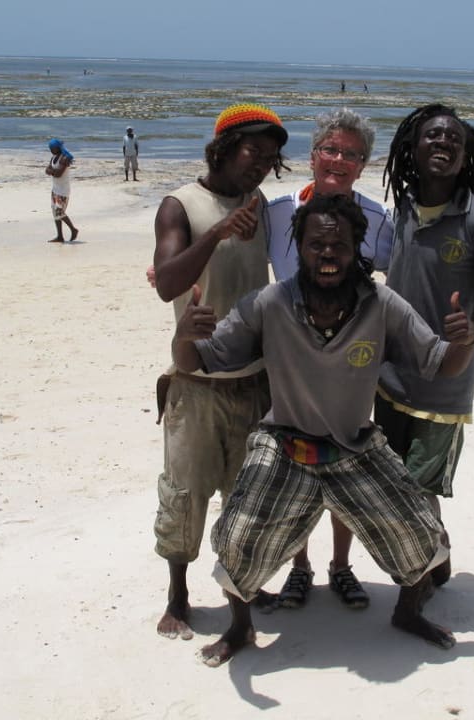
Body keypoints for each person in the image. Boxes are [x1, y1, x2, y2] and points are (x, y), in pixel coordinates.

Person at [172, 194, 474, 666]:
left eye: (340, 244)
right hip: (284, 443)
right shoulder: (269, 303)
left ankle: (407, 612)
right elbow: (197, 363)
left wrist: (465, 342)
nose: (329, 254)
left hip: (355, 446)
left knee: (422, 531)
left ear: (358, 246)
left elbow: (442, 364)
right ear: (299, 246)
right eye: (316, 244)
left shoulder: (382, 304)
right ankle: (240, 627)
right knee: (235, 537)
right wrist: (182, 338)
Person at [151, 103, 289, 642]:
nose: (260, 165)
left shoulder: (262, 206)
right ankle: (178, 596)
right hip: (196, 384)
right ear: (224, 147)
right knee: (185, 494)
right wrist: (219, 234)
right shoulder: (179, 205)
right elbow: (166, 282)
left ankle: (241, 585)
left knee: (246, 495)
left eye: (271, 158)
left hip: (254, 379)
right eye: (254, 151)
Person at [375, 104, 474, 589]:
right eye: (433, 137)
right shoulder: (402, 211)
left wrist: (461, 347)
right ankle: (433, 558)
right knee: (391, 484)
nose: (443, 144)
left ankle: (421, 580)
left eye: (453, 140)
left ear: (466, 155)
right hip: (388, 377)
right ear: (412, 149)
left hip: (445, 390)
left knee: (417, 489)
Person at [262, 108, 393, 611]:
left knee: (347, 465)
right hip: (288, 362)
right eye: (331, 150)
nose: (339, 160)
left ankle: (341, 566)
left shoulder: (378, 221)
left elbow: (397, 278)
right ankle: (299, 567)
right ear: (314, 155)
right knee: (293, 469)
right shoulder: (276, 212)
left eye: (352, 154)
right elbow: (241, 259)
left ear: (363, 165)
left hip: (352, 367)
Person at [45, 138, 78, 242]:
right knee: (55, 213)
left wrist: (52, 171)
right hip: (55, 189)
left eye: (52, 148)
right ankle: (60, 236)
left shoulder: (65, 158)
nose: (50, 150)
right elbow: (47, 170)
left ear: (57, 147)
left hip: (63, 190)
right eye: (49, 148)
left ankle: (73, 230)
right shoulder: (53, 158)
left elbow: (59, 174)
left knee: (59, 212)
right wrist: (52, 171)